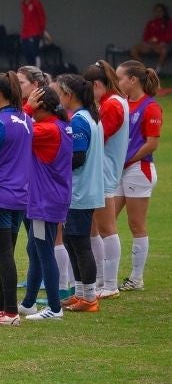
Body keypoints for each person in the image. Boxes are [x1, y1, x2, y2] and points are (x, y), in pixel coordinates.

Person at [0, 72, 32, 326]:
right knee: (6, 253)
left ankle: (10, 312)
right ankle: (0, 308)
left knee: (4, 255)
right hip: (19, 196)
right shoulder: (26, 119)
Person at [18, 87, 72, 321]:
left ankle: (54, 307)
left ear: (43, 108)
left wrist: (26, 107)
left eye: (34, 108)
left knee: (43, 251)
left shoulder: (47, 129)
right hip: (52, 196)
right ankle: (29, 303)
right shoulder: (61, 124)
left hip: (44, 199)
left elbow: (16, 130)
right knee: (34, 248)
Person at [55, 74, 105, 312]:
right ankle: (81, 292)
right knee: (72, 241)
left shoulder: (79, 121)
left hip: (80, 192)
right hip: (85, 189)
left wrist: (55, 164)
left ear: (69, 95)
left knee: (80, 243)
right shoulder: (89, 117)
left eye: (60, 92)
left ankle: (90, 297)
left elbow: (77, 158)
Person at [114, 61, 163, 292]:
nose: (117, 82)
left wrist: (128, 159)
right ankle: (102, 277)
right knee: (103, 220)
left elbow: (152, 143)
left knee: (136, 224)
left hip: (138, 170)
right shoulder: (122, 104)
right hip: (120, 169)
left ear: (132, 80)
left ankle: (136, 278)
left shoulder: (150, 107)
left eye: (120, 77)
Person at [83, 61, 129, 299]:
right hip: (104, 171)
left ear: (97, 85)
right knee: (94, 228)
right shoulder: (116, 101)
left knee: (106, 228)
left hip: (103, 173)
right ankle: (101, 279)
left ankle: (109, 283)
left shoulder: (111, 105)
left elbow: (99, 136)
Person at [130, 4, 170, 73]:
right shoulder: (150, 23)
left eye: (160, 11)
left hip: (160, 45)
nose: (158, 13)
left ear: (164, 12)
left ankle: (157, 71)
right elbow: (145, 36)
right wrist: (148, 41)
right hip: (149, 45)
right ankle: (144, 69)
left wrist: (160, 41)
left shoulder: (168, 22)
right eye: (156, 11)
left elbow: (169, 36)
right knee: (134, 49)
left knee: (164, 51)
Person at [19, 0, 47, 66]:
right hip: (25, 34)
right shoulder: (23, 4)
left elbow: (42, 17)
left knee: (35, 53)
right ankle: (31, 71)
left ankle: (37, 71)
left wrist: (41, 30)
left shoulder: (36, 2)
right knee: (26, 53)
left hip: (34, 33)